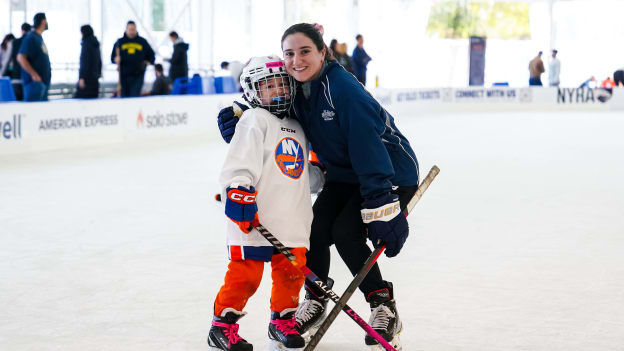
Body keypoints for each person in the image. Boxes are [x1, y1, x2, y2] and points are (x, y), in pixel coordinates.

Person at [216, 23, 419, 349]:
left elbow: (368, 146)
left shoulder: (342, 89)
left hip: (387, 174)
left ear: (323, 52)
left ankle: (382, 305)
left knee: (346, 233)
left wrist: (381, 201)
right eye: (290, 54)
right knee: (311, 232)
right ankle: (315, 298)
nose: (296, 60)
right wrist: (238, 111)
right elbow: (269, 102)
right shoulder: (298, 86)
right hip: (344, 175)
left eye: (305, 51)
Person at [209, 55, 323, 351]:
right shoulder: (253, 120)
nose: (278, 91)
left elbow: (299, 174)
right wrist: (238, 191)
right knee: (245, 276)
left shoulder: (299, 125)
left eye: (281, 84)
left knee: (291, 276)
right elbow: (239, 163)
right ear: (251, 91)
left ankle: (281, 322)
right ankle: (222, 327)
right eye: (268, 86)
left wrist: (321, 174)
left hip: (291, 221)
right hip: (255, 218)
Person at [111, 21, 155, 97]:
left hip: (138, 75)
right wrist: (116, 59)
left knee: (135, 95)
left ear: (136, 29)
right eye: (130, 29)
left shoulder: (142, 42)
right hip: (123, 75)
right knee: (124, 96)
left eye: (133, 29)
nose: (131, 31)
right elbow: (112, 58)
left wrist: (148, 62)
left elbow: (151, 55)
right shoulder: (119, 42)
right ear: (126, 29)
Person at [17, 13, 51, 102]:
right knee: (32, 113)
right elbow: (20, 57)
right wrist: (34, 75)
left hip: (42, 83)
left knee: (41, 114)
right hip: (34, 84)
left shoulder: (39, 38)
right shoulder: (31, 37)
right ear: (43, 22)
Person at [75, 25, 102, 99]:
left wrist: (82, 78)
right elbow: (99, 62)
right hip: (95, 80)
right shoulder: (96, 44)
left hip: (87, 81)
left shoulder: (86, 44)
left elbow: (85, 62)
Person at [8, 23, 31, 100]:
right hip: (28, 78)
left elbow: (8, 60)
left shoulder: (14, 42)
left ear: (22, 31)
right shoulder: (30, 42)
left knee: (17, 103)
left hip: (16, 77)